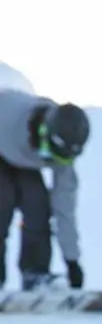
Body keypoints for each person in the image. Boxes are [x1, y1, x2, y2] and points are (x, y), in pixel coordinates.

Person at [0, 88, 89, 291]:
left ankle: (36, 274)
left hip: (23, 157)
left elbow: (64, 209)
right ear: (43, 134)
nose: (58, 163)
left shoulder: (63, 148)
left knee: (37, 205)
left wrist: (72, 261)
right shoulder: (6, 115)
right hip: (4, 144)